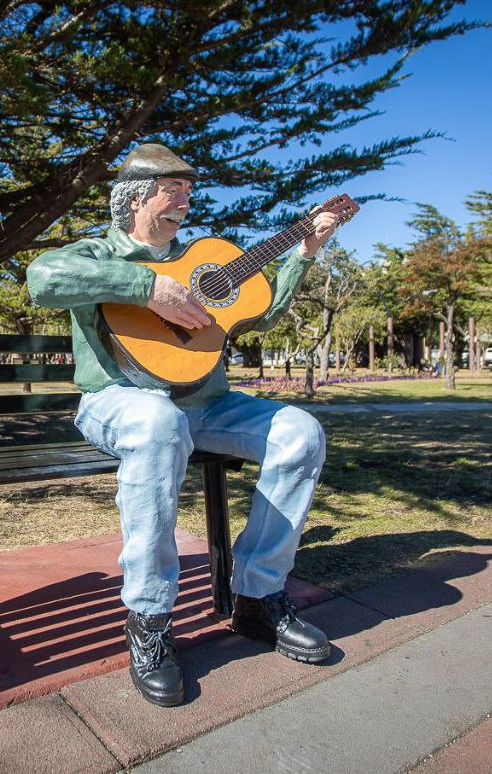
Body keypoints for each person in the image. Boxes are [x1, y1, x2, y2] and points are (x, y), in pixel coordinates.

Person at [26, 143, 341, 707]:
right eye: (174, 190)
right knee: (157, 421)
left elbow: (259, 311)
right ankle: (148, 620)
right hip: (120, 400)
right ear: (135, 197)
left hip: (208, 403)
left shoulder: (205, 257)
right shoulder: (97, 251)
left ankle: (259, 598)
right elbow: (42, 278)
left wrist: (305, 253)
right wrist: (149, 288)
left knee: (301, 431)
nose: (185, 202)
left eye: (189, 192)